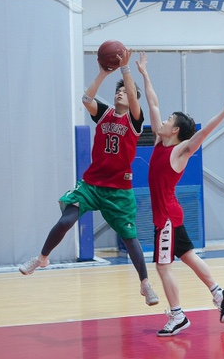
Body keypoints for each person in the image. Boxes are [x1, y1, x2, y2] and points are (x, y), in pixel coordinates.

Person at [19, 48, 159, 307]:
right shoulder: (105, 114)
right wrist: (103, 73)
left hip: (119, 190)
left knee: (130, 239)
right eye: (117, 91)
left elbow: (133, 95)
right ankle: (42, 258)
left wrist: (126, 69)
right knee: (66, 220)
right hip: (93, 184)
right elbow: (86, 98)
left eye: (124, 91)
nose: (120, 93)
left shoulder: (134, 121)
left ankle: (145, 283)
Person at [136, 51, 224, 337]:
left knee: (162, 267)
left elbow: (202, 133)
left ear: (176, 130)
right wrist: (145, 74)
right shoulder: (160, 142)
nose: (162, 120)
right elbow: (153, 102)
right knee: (187, 255)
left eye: (168, 119)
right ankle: (219, 292)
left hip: (166, 218)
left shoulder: (179, 151)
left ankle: (178, 315)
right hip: (169, 215)